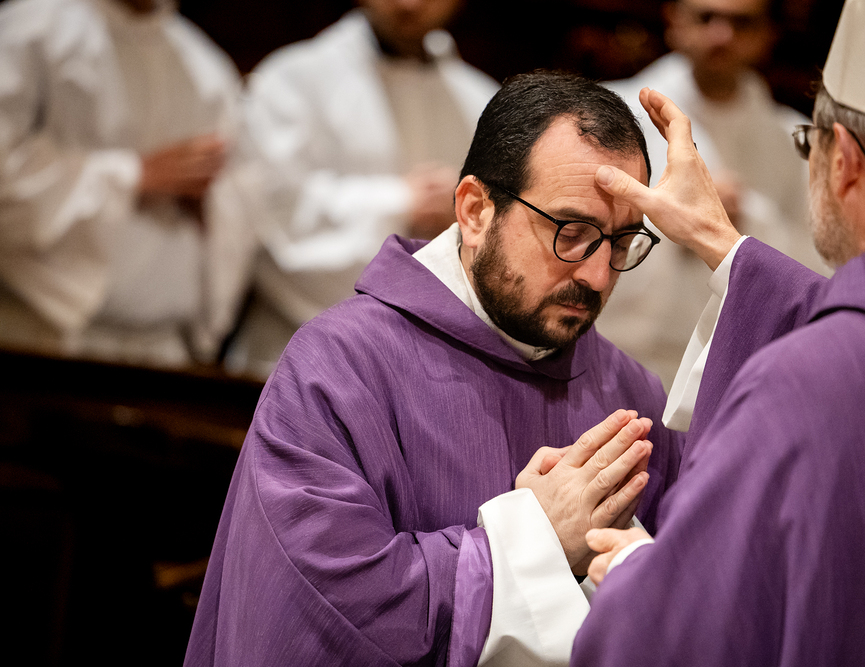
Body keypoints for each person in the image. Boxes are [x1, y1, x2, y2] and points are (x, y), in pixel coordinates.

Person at [184, 71, 685, 667]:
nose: (597, 276)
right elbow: (327, 614)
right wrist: (531, 542)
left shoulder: (632, 395)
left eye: (622, 243)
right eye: (570, 233)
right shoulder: (338, 370)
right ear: (475, 210)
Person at [571, 0, 865, 664]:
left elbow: (680, 633)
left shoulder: (802, 381)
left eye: (809, 143)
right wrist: (724, 245)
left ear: (844, 160)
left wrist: (634, 575)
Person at [223, 0, 499, 378]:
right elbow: (266, 221)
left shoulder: (481, 101)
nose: (410, 3)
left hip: (433, 372)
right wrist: (401, 203)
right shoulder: (293, 79)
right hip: (296, 358)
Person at [0, 0, 256, 368]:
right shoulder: (32, 30)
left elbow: (240, 211)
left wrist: (212, 207)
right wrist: (135, 176)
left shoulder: (206, 67)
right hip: (40, 337)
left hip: (165, 348)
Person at [598, 0, 826, 384]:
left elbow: (821, 264)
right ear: (675, 19)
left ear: (768, 34)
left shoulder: (798, 141)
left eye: (742, 23)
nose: (722, 36)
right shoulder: (607, 113)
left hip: (737, 369)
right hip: (617, 352)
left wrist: (747, 217)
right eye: (706, 18)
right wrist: (676, 215)